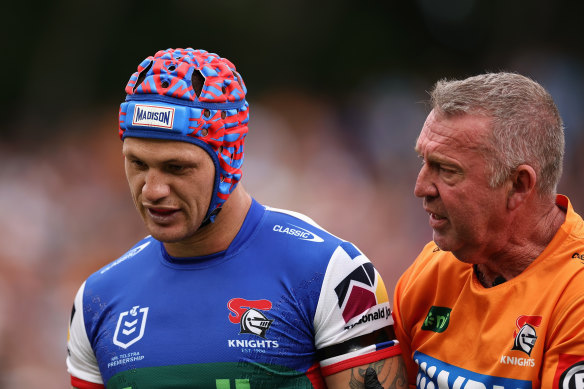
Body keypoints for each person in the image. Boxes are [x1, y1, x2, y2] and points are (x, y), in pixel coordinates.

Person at [66, 47, 408, 389]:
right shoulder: (96, 299)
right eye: (138, 164)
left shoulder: (330, 273)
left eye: (177, 167)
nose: (152, 189)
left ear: (227, 161)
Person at [391, 72, 584, 388]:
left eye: (447, 170)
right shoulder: (431, 269)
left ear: (518, 185)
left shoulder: (575, 294)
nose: (421, 187)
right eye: (424, 162)